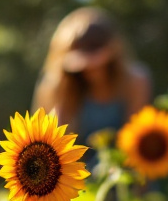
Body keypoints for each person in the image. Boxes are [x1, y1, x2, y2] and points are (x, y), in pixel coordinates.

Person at [34, 7, 151, 141]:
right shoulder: (54, 87)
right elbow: (51, 140)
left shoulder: (135, 81)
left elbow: (136, 137)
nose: (90, 67)